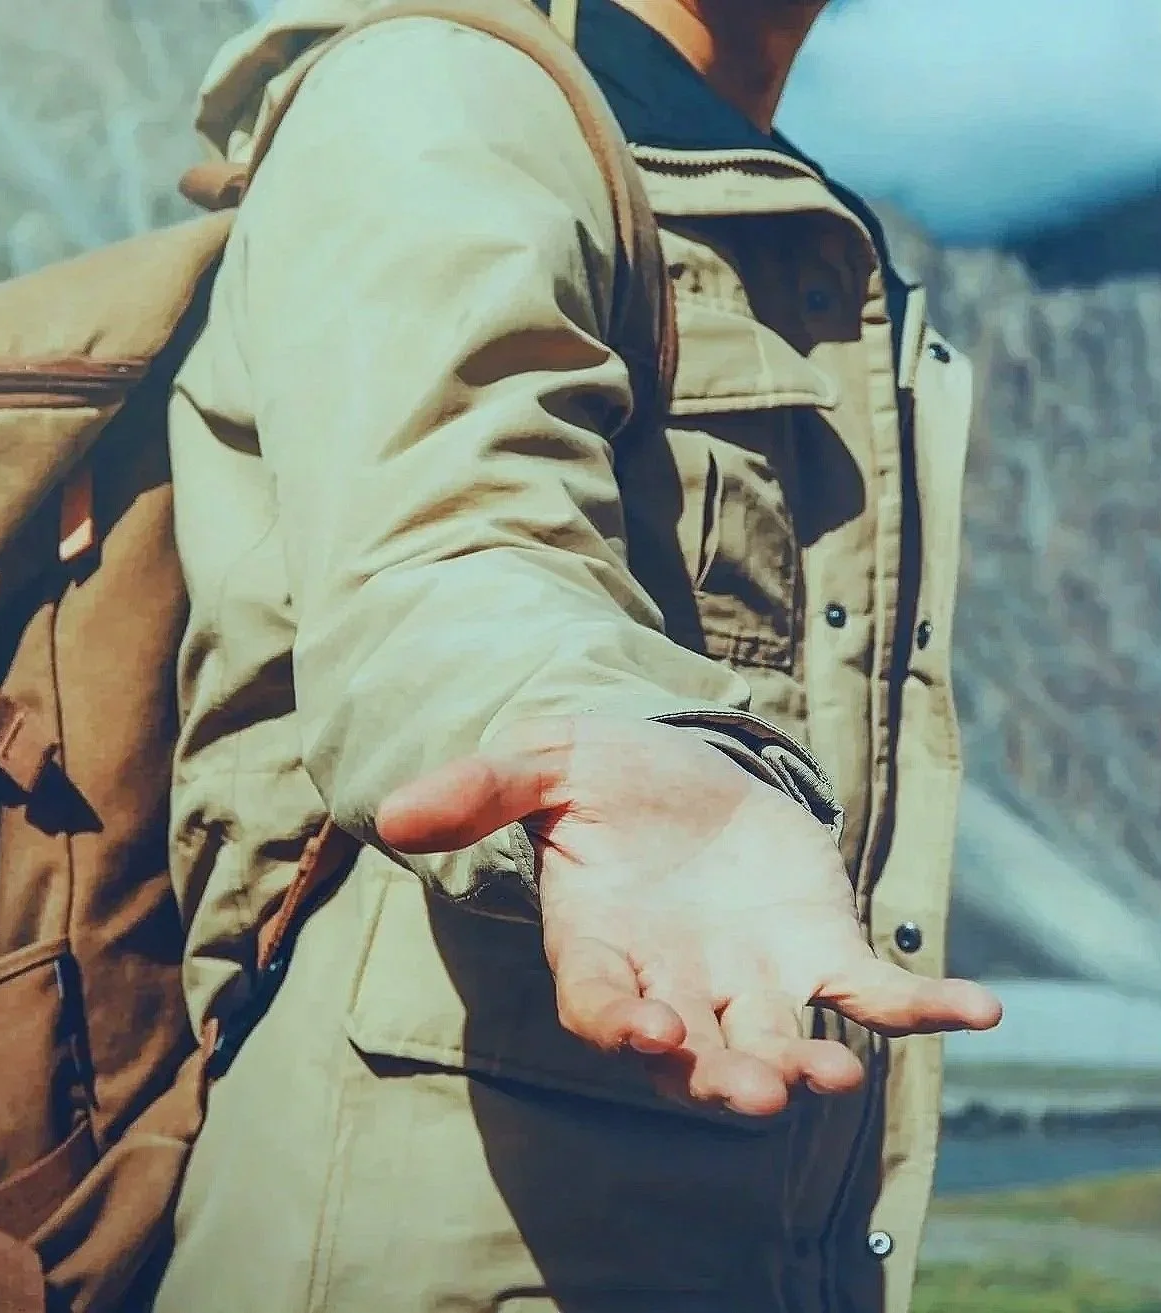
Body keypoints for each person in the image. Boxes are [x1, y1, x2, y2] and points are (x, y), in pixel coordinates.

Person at [156, 0, 1000, 1308]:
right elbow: (448, 536)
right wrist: (598, 735)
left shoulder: (743, 187)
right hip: (428, 1256)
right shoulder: (442, 94)